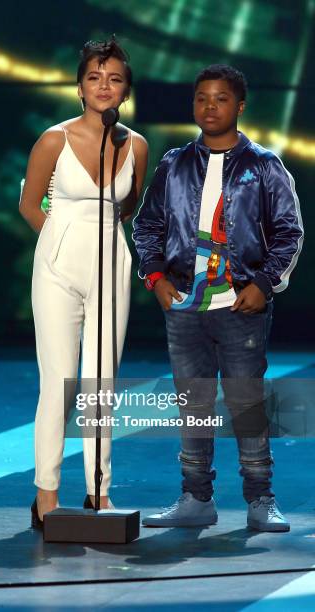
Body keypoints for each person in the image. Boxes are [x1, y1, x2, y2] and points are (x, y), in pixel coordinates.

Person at [133, 64, 303, 531]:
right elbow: (147, 226)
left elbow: (289, 233)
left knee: (247, 402)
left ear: (240, 105)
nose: (210, 106)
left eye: (221, 98)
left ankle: (260, 499)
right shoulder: (173, 163)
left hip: (240, 304)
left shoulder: (265, 166)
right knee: (193, 402)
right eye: (202, 98)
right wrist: (155, 278)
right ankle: (195, 498)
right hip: (185, 305)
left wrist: (263, 284)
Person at [19, 37, 148, 528]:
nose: (104, 86)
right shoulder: (54, 139)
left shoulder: (135, 144)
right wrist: (58, 242)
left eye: (114, 79)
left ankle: (99, 494)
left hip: (111, 264)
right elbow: (30, 204)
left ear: (125, 92)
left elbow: (129, 205)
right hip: (57, 267)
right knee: (57, 383)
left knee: (101, 386)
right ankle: (47, 495)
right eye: (94, 77)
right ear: (79, 86)